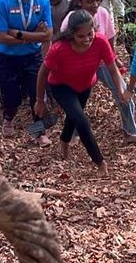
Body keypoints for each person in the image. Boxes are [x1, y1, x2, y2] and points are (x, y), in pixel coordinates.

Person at [34, 10, 125, 176]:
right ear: (71, 35)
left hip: (85, 85)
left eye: (89, 34)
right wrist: (40, 100)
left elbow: (113, 69)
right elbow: (43, 73)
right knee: (81, 120)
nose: (86, 40)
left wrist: (120, 90)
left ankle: (64, 141)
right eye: (80, 36)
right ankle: (100, 162)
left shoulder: (100, 42)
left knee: (73, 117)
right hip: (61, 86)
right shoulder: (59, 48)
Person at [61, 0, 136, 144]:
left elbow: (109, 38)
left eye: (97, 0)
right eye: (90, 1)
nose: (95, 4)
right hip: (80, 65)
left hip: (103, 63)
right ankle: (73, 133)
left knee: (123, 94)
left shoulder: (103, 13)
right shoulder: (71, 19)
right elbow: (65, 46)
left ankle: (130, 131)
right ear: (79, 1)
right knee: (76, 100)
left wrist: (114, 58)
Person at [0, 0, 53, 142]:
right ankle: (8, 117)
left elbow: (48, 34)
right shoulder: (3, 0)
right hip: (7, 56)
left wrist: (18, 34)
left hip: (32, 56)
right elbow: (1, 36)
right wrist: (33, 35)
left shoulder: (43, 0)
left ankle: (39, 131)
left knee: (37, 94)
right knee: (10, 93)